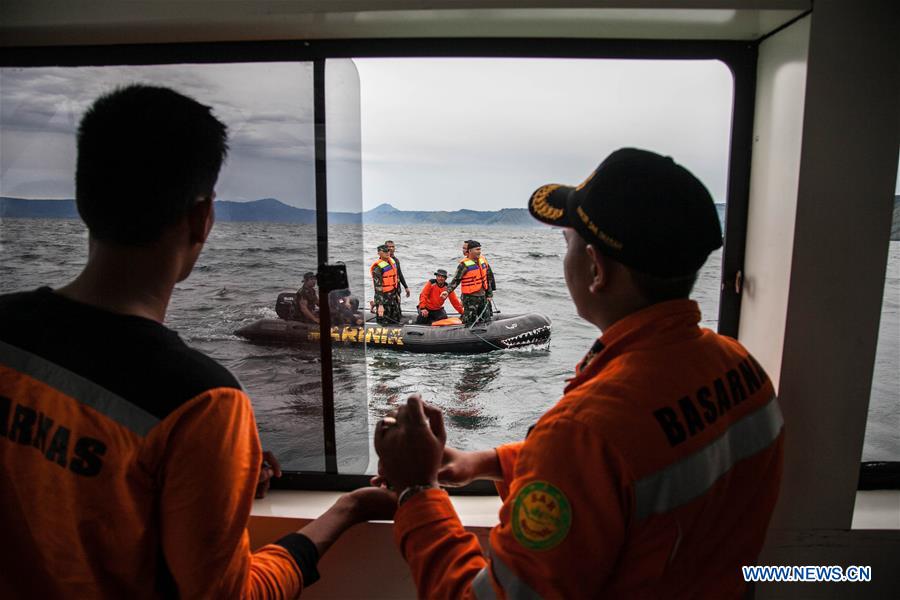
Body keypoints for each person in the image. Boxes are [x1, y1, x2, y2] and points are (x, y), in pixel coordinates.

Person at [0, 84, 395, 599]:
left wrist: (201, 477)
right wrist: (348, 509)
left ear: (82, 200)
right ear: (202, 218)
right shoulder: (203, 402)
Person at [372, 148, 784, 599]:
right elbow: (634, 460)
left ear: (596, 269)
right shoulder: (744, 368)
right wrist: (489, 462)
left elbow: (592, 451)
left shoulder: (583, 430)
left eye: (567, 245)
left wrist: (416, 489)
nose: (564, 258)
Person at [444, 239, 493, 325]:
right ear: (470, 251)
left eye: (480, 249)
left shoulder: (483, 261)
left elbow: (488, 278)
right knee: (469, 321)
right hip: (470, 298)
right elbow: (455, 281)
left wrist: (489, 294)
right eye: (477, 249)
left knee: (487, 320)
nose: (479, 252)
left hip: (483, 297)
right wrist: (447, 291)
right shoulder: (463, 265)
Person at [371, 244, 401, 324]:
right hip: (384, 298)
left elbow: (396, 280)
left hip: (393, 297)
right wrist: (380, 305)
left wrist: (397, 294)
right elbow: (378, 287)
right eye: (384, 251)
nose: (387, 252)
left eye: (388, 251)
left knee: (395, 320)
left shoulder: (392, 262)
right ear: (379, 253)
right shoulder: (377, 268)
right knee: (383, 322)